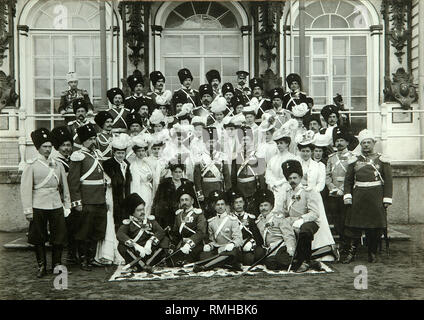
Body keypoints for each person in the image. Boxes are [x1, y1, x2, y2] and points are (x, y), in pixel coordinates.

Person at [21, 128, 70, 278]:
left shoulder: (58, 164)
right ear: (38, 148)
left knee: (59, 236)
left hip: (55, 204)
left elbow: (64, 187)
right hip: (38, 204)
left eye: (49, 146)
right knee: (39, 237)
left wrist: (67, 205)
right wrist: (28, 210)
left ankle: (56, 264)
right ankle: (41, 266)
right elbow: (26, 188)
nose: (48, 149)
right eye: (44, 147)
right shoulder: (31, 165)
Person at [343, 129, 393, 264]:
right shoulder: (354, 160)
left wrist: (387, 198)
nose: (366, 145)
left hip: (376, 196)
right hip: (358, 196)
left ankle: (372, 252)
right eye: (363, 143)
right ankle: (351, 253)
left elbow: (388, 180)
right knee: (355, 227)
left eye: (368, 142)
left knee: (374, 227)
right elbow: (348, 180)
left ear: (373, 143)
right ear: (360, 144)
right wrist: (348, 195)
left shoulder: (382, 160)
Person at [68, 123, 107, 271]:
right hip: (87, 199)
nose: (93, 141)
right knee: (85, 231)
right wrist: (77, 202)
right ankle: (83, 260)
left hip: (99, 198)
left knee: (97, 229)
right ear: (83, 141)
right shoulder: (78, 156)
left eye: (94, 138)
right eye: (90, 139)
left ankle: (91, 258)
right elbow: (73, 181)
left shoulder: (97, 154)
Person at [296, 131, 336, 260]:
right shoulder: (296, 164)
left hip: (314, 198)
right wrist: (301, 190)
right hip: (299, 197)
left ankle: (319, 248)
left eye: (308, 151)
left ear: (311, 152)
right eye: (303, 151)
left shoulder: (319, 166)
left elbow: (321, 184)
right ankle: (300, 248)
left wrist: (311, 191)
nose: (305, 153)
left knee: (317, 221)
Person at [95, 133, 132, 265]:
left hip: (122, 197)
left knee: (121, 222)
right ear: (114, 153)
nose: (120, 156)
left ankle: (121, 252)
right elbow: (110, 183)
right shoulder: (108, 164)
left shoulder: (126, 164)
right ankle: (109, 253)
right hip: (111, 196)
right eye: (118, 153)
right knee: (112, 222)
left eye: (122, 153)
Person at [281, 160, 322, 272]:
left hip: (310, 222)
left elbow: (315, 213)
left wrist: (302, 219)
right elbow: (285, 211)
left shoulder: (308, 191)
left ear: (300, 177)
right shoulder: (288, 192)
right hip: (292, 221)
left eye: (294, 178)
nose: (292, 181)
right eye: (290, 178)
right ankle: (302, 259)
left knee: (304, 230)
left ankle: (306, 262)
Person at [194, 191, 243, 272]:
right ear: (214, 207)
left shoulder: (233, 220)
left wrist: (232, 244)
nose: (220, 207)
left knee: (232, 254)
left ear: (225, 206)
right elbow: (212, 240)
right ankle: (226, 264)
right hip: (218, 249)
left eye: (222, 204)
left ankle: (205, 266)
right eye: (218, 205)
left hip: (230, 249)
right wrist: (210, 246)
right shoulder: (211, 222)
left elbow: (239, 239)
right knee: (203, 255)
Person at [116, 193, 167, 271]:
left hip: (149, 251)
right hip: (136, 253)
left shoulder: (150, 220)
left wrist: (150, 242)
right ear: (132, 212)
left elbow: (161, 231)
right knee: (121, 246)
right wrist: (136, 246)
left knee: (165, 240)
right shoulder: (128, 223)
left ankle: (148, 263)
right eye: (139, 210)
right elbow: (120, 234)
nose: (142, 212)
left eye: (143, 209)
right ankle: (142, 265)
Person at [325, 127, 356, 250]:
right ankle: (342, 242)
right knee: (337, 220)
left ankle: (349, 244)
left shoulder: (353, 157)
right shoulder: (331, 158)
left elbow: (353, 176)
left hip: (346, 193)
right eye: (337, 141)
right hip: (334, 194)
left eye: (342, 140)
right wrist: (332, 187)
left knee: (346, 220)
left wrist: (343, 189)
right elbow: (327, 176)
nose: (339, 143)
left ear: (347, 142)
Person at [50, 126, 76, 264]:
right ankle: (58, 260)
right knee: (60, 231)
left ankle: (73, 255)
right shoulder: (55, 162)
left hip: (74, 199)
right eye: (63, 145)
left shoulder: (73, 160)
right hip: (60, 199)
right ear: (57, 147)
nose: (66, 148)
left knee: (74, 228)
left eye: (69, 145)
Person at [265, 120, 300, 214]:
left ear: (287, 144)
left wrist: (280, 183)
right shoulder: (273, 159)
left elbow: (292, 175)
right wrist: (272, 183)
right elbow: (269, 172)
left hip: (287, 187)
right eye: (278, 143)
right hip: (274, 187)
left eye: (281, 143)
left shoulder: (292, 158)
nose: (279, 145)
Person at [168, 185, 207, 266]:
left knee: (185, 260)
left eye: (186, 200)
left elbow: (201, 232)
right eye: (182, 200)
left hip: (196, 244)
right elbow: (176, 233)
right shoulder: (179, 214)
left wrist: (189, 244)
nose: (184, 202)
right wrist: (172, 246)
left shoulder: (198, 214)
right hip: (183, 245)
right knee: (170, 260)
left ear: (192, 201)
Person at [193, 127, 231, 209]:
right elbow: (197, 178)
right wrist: (200, 193)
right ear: (204, 142)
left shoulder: (222, 156)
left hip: (219, 189)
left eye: (213, 142)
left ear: (216, 142)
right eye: (208, 142)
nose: (210, 144)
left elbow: (227, 176)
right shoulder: (199, 157)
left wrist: (228, 192)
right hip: (205, 191)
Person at [254, 189, 293, 270]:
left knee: (281, 260)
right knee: (270, 264)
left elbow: (288, 235)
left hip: (282, 247)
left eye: (266, 205)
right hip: (271, 249)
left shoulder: (278, 218)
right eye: (261, 206)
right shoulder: (258, 221)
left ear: (271, 206)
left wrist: (290, 249)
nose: (263, 208)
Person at [231, 126, 266, 214]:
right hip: (240, 188)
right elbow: (233, 176)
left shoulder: (258, 155)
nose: (245, 142)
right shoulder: (236, 157)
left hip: (253, 188)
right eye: (243, 140)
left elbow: (261, 176)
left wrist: (262, 190)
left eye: (247, 140)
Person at [152, 163, 196, 230]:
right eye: (175, 172)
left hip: (182, 211)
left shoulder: (186, 184)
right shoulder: (165, 184)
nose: (178, 174)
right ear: (172, 173)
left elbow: (192, 200)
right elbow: (159, 200)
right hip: (167, 212)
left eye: (180, 172)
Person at [228, 190, 262, 266]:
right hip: (235, 246)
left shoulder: (250, 217)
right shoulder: (229, 218)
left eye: (240, 202)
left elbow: (256, 235)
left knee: (249, 260)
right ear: (233, 205)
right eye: (236, 203)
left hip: (247, 246)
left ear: (244, 203)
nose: (238, 205)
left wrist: (252, 243)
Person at [130, 134, 156, 216]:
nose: (141, 153)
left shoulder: (147, 163)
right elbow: (135, 184)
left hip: (148, 190)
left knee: (149, 207)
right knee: (141, 209)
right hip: (140, 190)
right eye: (139, 151)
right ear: (135, 152)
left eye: (142, 151)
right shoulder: (134, 166)